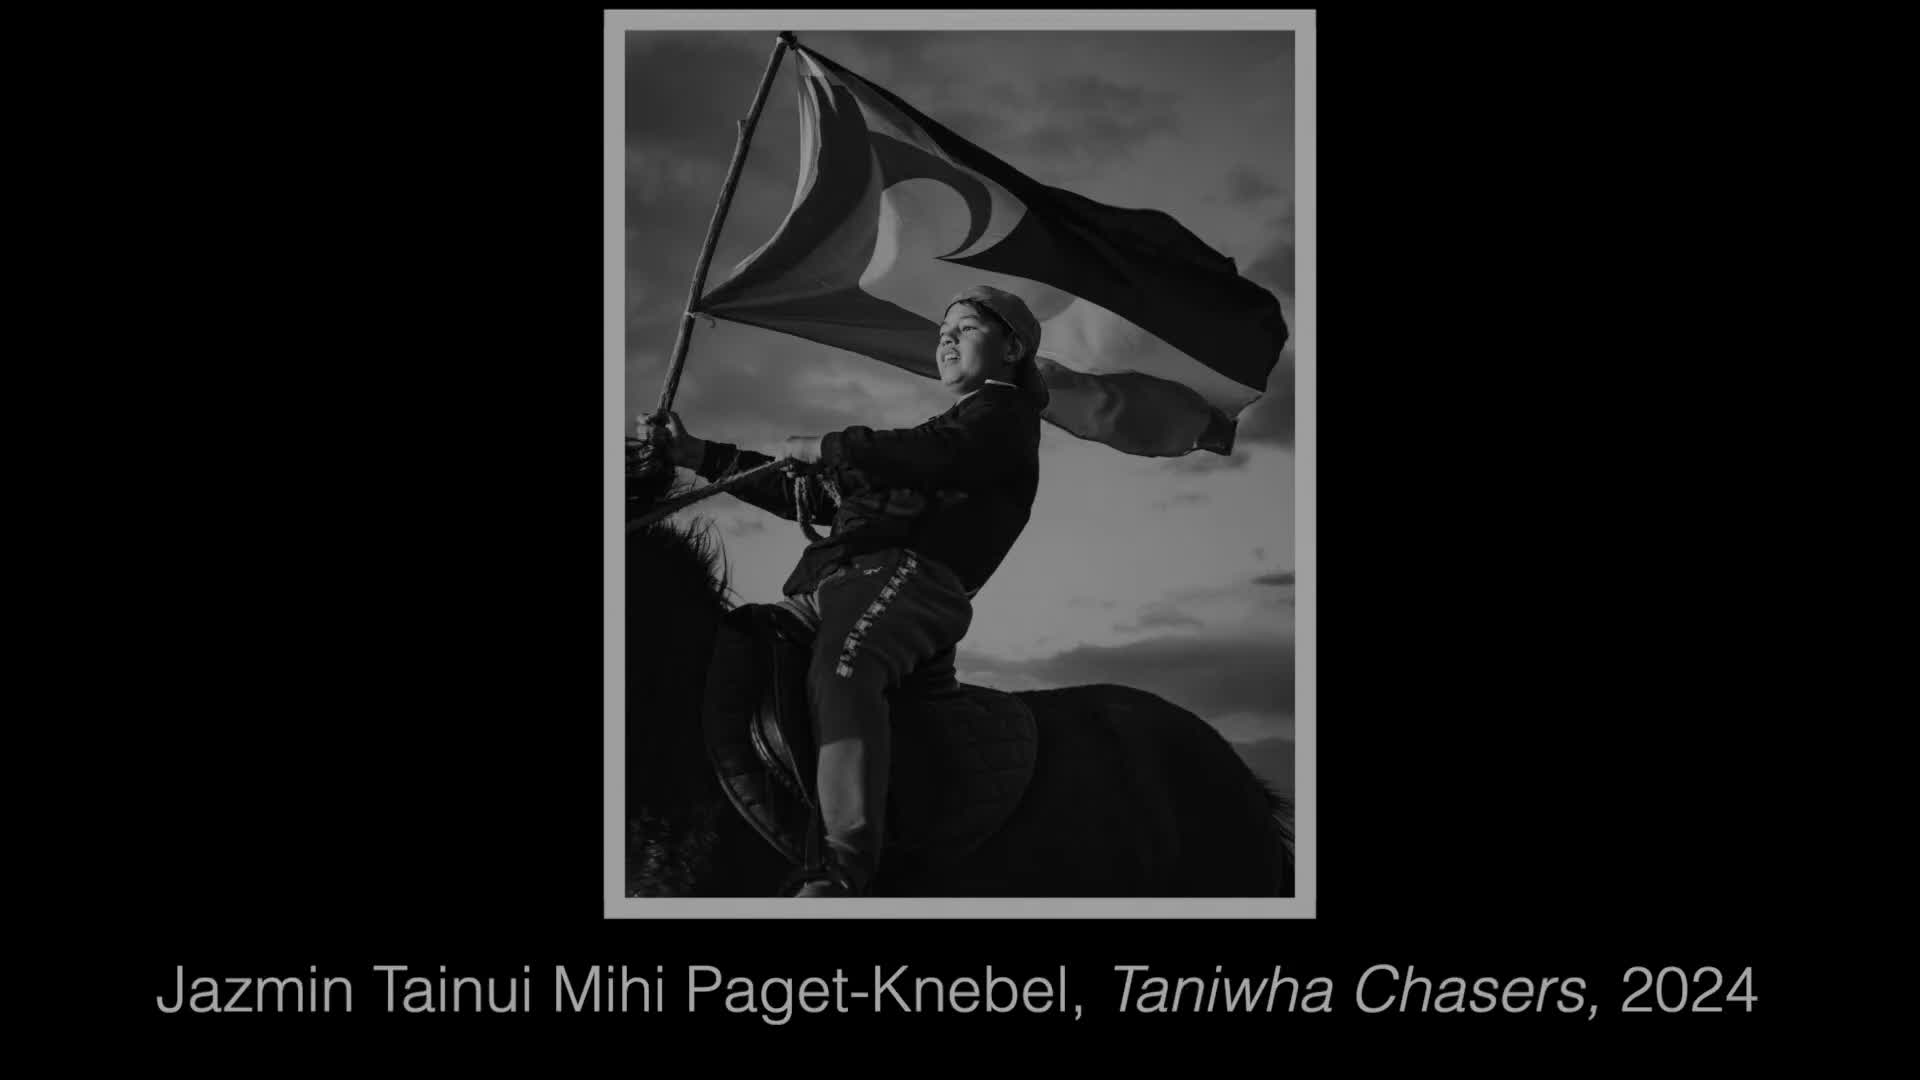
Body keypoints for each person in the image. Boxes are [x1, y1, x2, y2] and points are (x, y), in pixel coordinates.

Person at [641, 286, 1048, 897]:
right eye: (941, 330)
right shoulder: (927, 442)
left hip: (905, 578)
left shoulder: (1004, 418)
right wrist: (700, 455)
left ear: (1012, 347)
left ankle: (841, 870)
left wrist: (831, 447)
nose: (945, 339)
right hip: (828, 582)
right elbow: (804, 494)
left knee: (843, 667)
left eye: (963, 328)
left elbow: (937, 454)